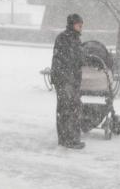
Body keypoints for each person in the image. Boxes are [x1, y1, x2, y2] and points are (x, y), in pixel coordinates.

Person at [51, 13, 85, 149]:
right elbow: (63, 60)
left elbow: (78, 59)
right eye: (79, 24)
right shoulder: (64, 38)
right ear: (72, 24)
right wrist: (64, 79)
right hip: (65, 80)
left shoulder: (76, 39)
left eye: (81, 24)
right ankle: (67, 139)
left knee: (73, 108)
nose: (81, 26)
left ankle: (71, 138)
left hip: (72, 80)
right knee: (67, 110)